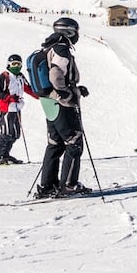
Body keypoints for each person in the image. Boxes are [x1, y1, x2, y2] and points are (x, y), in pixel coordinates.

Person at [37, 17, 92, 198]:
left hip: (48, 102)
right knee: (74, 142)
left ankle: (47, 186)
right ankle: (69, 185)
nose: (77, 35)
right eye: (76, 31)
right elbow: (55, 74)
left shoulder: (49, 47)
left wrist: (76, 88)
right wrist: (66, 93)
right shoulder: (62, 49)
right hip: (62, 103)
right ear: (69, 32)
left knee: (55, 144)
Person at [0, 54, 38, 165]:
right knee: (6, 133)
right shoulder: (4, 77)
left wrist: (41, 96)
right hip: (7, 109)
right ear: (8, 64)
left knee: (15, 134)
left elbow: (28, 89)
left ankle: (4, 154)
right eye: (14, 64)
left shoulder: (20, 77)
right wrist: (9, 97)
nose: (16, 66)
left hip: (17, 108)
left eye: (19, 64)